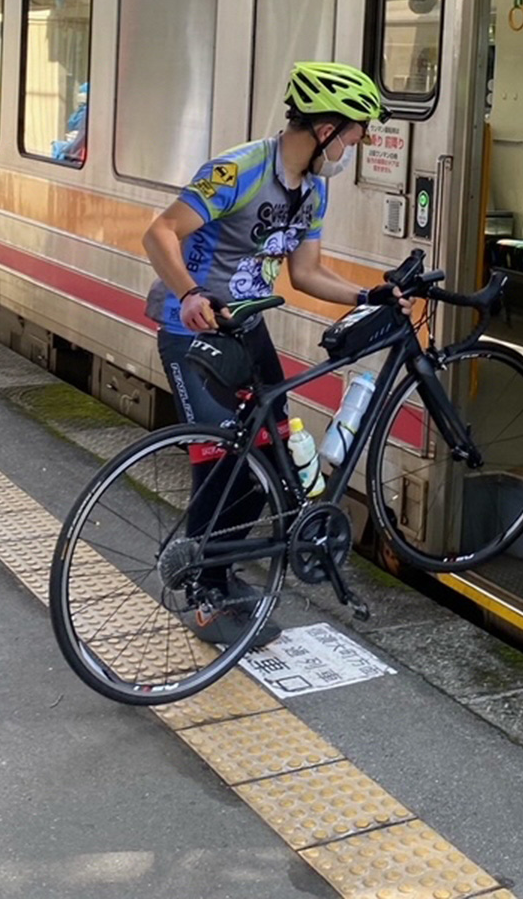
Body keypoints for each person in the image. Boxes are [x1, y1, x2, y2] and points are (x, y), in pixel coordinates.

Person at [140, 61, 400, 647]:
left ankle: (219, 572)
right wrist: (190, 293)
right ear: (328, 129)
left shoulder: (314, 188)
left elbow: (305, 273)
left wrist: (368, 296)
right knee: (223, 461)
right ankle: (204, 595)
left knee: (271, 463)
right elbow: (160, 233)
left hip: (247, 328)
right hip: (193, 328)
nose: (357, 147)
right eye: (356, 134)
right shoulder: (240, 170)